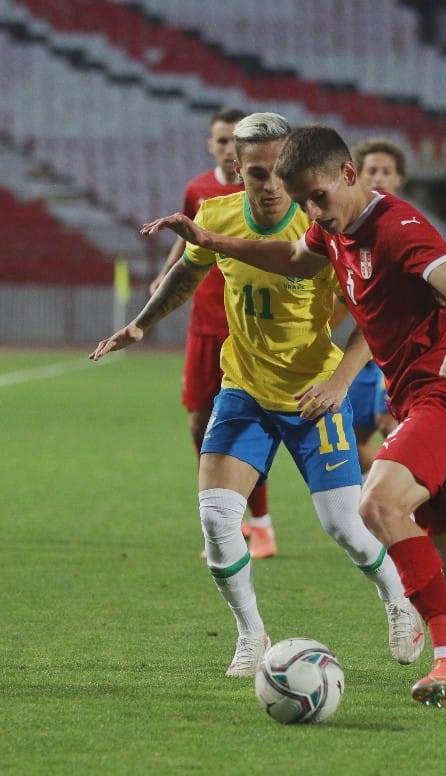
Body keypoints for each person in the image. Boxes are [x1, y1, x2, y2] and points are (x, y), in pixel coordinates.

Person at [140, 125, 446, 708]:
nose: (313, 212)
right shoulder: (332, 229)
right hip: (413, 398)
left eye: (319, 197)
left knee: (377, 504)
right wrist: (211, 240)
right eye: (304, 202)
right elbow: (293, 259)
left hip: (444, 393)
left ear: (348, 175)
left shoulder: (397, 228)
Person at [90, 113, 423, 677]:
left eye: (278, 174)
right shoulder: (215, 215)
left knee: (344, 526)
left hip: (313, 393)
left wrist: (340, 381)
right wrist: (142, 325)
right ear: (236, 169)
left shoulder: (322, 224)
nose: (270, 186)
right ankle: (250, 635)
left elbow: (374, 316)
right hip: (243, 389)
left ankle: (398, 599)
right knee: (217, 519)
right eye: (256, 174)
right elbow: (188, 273)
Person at [149, 107, 278, 559]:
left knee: (252, 425)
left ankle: (261, 525)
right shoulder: (198, 190)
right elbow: (188, 238)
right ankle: (232, 520)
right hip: (205, 321)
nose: (226, 148)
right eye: (220, 140)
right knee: (199, 420)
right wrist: (165, 276)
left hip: (250, 326)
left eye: (232, 140)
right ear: (212, 144)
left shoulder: (266, 192)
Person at [343, 139, 406, 472]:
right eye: (372, 170)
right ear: (357, 176)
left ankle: (417, 497)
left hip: (398, 354)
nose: (379, 177)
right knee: (351, 437)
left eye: (386, 171)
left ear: (399, 179)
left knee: (391, 425)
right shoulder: (348, 230)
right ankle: (375, 496)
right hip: (364, 354)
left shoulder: (408, 228)